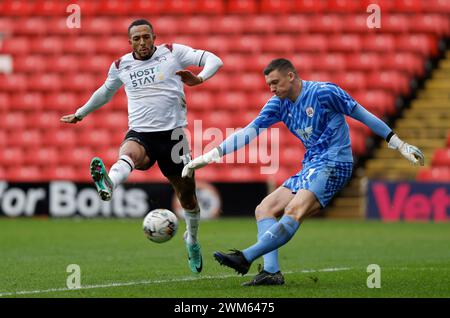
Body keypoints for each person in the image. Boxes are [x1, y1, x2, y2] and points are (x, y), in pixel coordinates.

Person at [182, 58, 424, 285]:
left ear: (291, 76)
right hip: (311, 165)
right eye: (268, 84)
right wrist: (211, 156)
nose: (272, 89)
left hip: (335, 163)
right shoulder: (278, 104)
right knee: (264, 209)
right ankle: (271, 273)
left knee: (293, 210)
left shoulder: (324, 93)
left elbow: (362, 114)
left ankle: (245, 256)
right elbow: (249, 131)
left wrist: (398, 144)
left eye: (275, 83)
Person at [61, 19, 223, 274]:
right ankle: (109, 183)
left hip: (173, 136)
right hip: (141, 133)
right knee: (129, 153)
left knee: (188, 197)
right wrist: (81, 113)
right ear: (130, 42)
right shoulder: (120, 65)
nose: (142, 42)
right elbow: (105, 92)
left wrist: (199, 78)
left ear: (154, 37)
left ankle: (191, 240)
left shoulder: (172, 52)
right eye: (136, 39)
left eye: (146, 37)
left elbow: (215, 60)